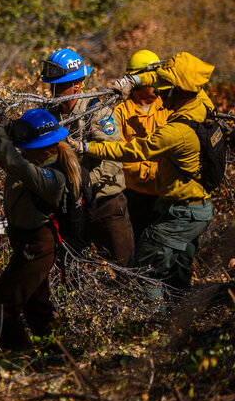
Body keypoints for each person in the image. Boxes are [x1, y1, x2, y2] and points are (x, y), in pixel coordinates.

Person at [94, 52, 216, 302]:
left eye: (160, 81)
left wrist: (86, 148)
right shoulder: (121, 109)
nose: (157, 87)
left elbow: (138, 149)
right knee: (147, 255)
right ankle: (161, 313)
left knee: (161, 262)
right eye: (150, 80)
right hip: (139, 193)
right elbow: (122, 148)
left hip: (172, 198)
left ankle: (161, 316)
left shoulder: (174, 107)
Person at [0, 109, 81, 351]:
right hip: (28, 244)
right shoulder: (40, 162)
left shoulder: (52, 176)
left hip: (38, 246)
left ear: (38, 145)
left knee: (1, 305)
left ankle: (18, 357)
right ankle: (58, 357)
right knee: (36, 307)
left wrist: (2, 137)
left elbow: (13, 162)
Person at [40, 48, 134, 265]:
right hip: (71, 206)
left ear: (77, 84)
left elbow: (113, 158)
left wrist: (85, 184)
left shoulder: (97, 112)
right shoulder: (50, 114)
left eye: (59, 85)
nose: (53, 90)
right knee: (73, 266)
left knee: (123, 265)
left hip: (105, 202)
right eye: (51, 84)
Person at [112, 50, 170, 242]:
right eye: (152, 76)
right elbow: (119, 154)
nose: (157, 81)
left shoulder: (169, 105)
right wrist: (151, 172)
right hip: (136, 196)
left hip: (168, 194)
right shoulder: (120, 112)